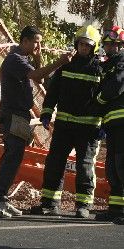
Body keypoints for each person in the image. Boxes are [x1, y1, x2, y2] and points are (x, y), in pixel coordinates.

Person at [0, 26, 74, 218]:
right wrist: (60, 62)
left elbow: (39, 79)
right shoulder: (15, 59)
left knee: (14, 157)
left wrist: (39, 59)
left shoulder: (23, 59)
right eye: (35, 41)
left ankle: (1, 198)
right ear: (24, 41)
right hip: (14, 114)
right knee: (12, 156)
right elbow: (37, 76)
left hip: (20, 114)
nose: (38, 45)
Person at [30, 25, 102, 218]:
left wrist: (103, 124)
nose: (84, 48)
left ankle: (83, 206)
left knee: (85, 166)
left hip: (89, 128)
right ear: (76, 44)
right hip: (64, 125)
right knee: (54, 162)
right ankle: (50, 203)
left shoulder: (99, 70)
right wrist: (46, 113)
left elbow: (105, 98)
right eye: (81, 44)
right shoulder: (66, 66)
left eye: (87, 45)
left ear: (93, 47)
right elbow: (53, 92)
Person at [91, 26, 124, 224]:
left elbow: (117, 85)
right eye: (107, 44)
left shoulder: (121, 62)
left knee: (121, 165)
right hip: (112, 123)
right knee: (112, 167)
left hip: (122, 122)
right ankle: (116, 209)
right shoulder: (109, 64)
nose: (109, 47)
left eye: (113, 44)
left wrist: (100, 100)